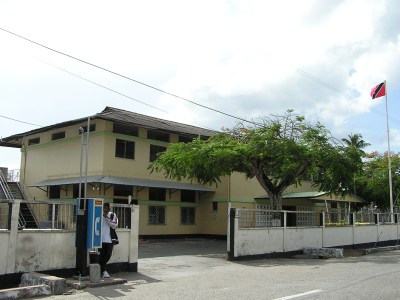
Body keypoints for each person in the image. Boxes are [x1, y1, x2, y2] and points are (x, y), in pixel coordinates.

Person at [99, 202, 118, 278]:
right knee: (101, 255)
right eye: (103, 207)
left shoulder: (112, 215)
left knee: (108, 255)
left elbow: (114, 225)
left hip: (109, 239)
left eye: (106, 208)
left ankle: (102, 270)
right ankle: (103, 271)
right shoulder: (98, 214)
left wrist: (106, 217)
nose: (104, 209)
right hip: (100, 239)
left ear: (108, 208)